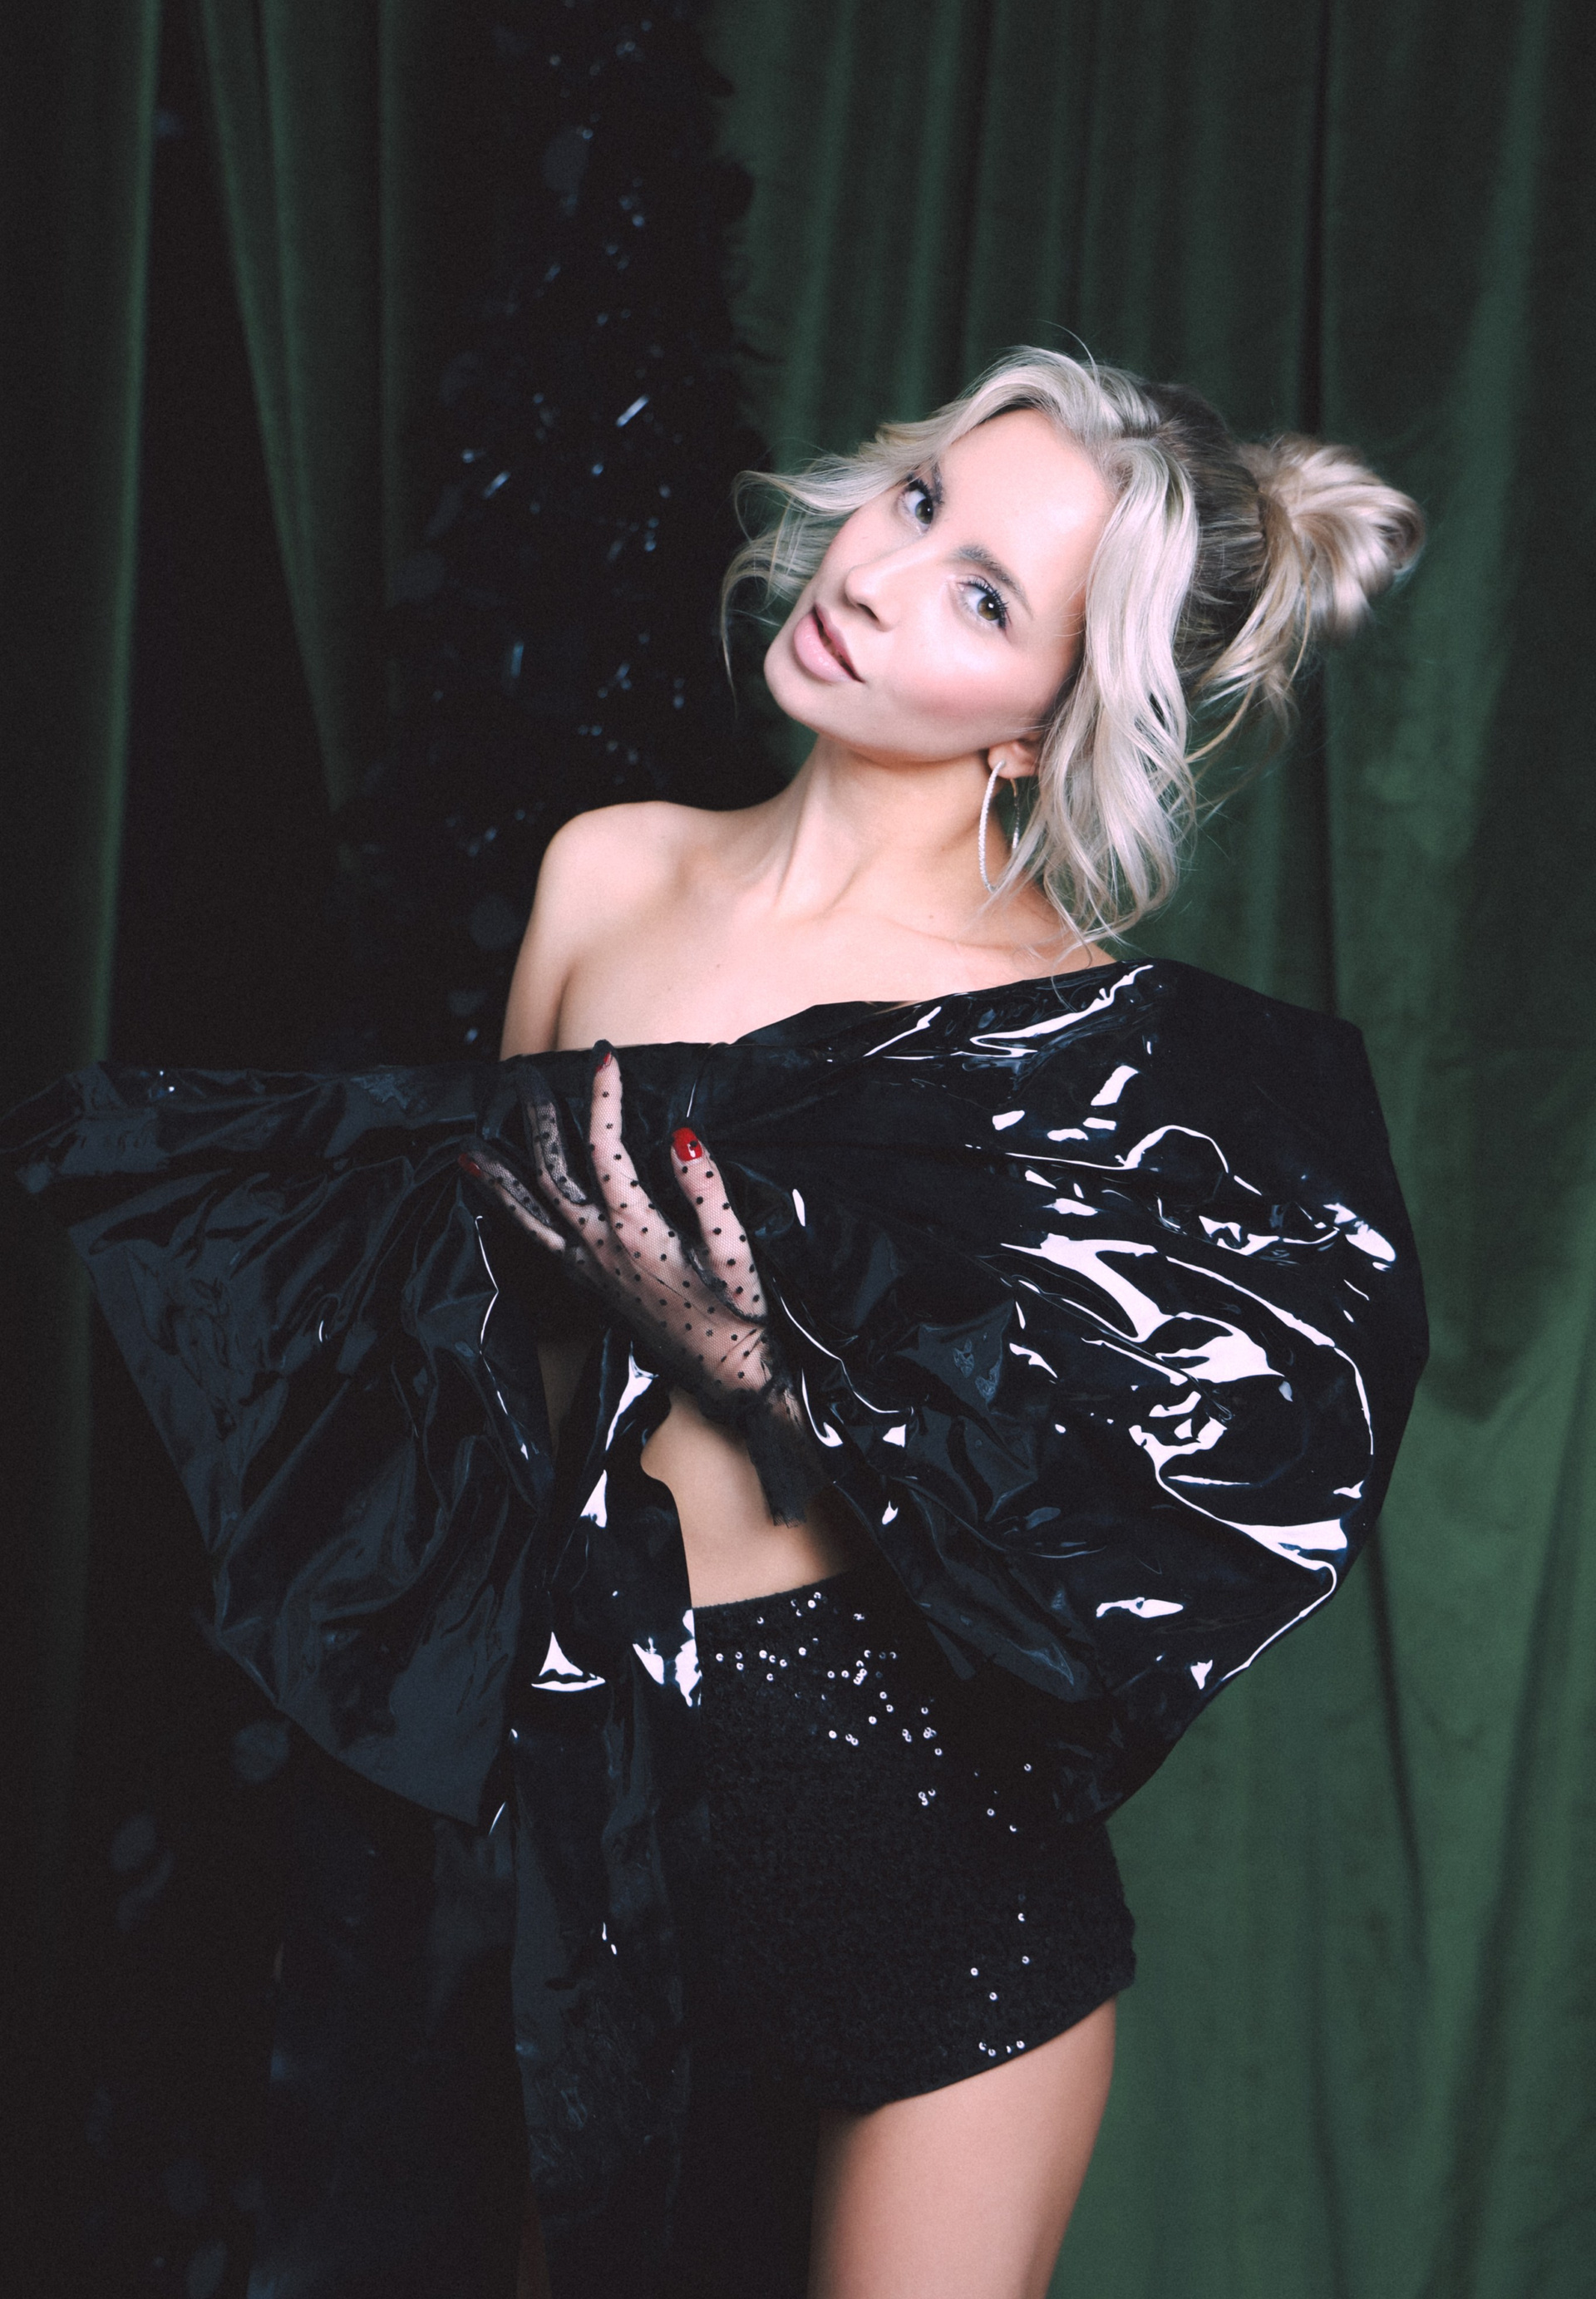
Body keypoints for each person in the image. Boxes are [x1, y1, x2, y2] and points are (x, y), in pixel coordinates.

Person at [7, 347, 1428, 2299]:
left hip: (936, 1907)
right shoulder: (607, 872)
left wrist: (767, 1370)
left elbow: (1089, 1567)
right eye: (920, 502)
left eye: (984, 597)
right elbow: (478, 1381)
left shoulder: (1055, 1048)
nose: (878, 578)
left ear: (1041, 728)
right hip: (607, 1861)